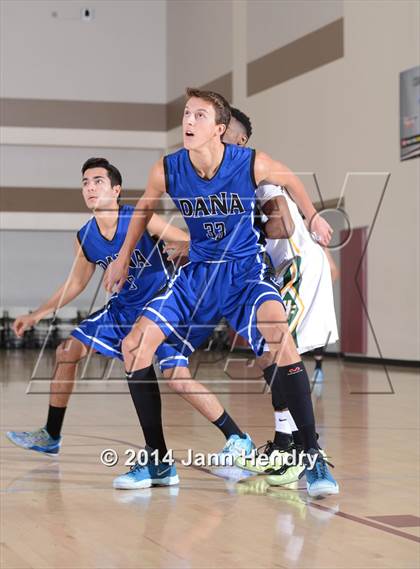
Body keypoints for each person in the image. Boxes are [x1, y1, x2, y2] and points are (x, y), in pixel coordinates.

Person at [104, 88, 339, 497]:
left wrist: (314, 214)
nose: (188, 122)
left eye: (199, 115)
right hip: (198, 277)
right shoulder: (168, 168)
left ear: (219, 129)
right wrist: (123, 258)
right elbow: (142, 210)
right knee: (134, 346)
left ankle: (313, 458)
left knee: (279, 337)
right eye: (186, 114)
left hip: (244, 274)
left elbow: (289, 178)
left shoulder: (250, 162)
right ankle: (158, 460)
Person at [6, 158, 254, 489]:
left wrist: (181, 245)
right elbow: (75, 284)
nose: (90, 187)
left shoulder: (139, 217)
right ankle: (51, 434)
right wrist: (36, 314)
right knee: (67, 351)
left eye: (97, 181)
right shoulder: (86, 236)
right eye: (85, 183)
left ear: (116, 190)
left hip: (161, 306)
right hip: (122, 311)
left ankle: (237, 438)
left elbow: (190, 241)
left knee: (177, 379)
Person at [222, 108, 339, 479]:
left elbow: (283, 224)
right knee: (265, 355)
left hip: (294, 269)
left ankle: (296, 451)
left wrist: (242, 234)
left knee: (278, 352)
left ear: (237, 139)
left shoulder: (253, 173)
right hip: (287, 269)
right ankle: (285, 442)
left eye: (220, 131)